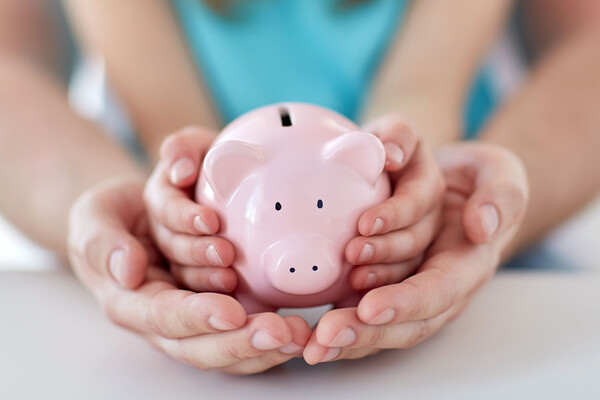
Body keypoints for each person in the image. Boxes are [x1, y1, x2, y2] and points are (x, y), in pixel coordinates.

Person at [0, 0, 598, 374]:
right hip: (164, 275)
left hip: (477, 275)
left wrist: (472, 201)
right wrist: (118, 210)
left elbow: (582, 43)